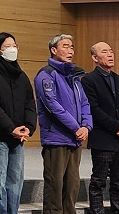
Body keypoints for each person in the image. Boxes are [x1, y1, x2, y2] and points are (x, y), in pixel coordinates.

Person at [0, 32, 36, 214]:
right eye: (7, 46)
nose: (12, 49)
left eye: (14, 46)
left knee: (15, 182)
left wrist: (29, 127)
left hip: (18, 138)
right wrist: (11, 128)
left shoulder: (21, 76)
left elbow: (29, 102)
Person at [33, 34, 91, 214]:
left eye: (72, 47)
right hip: (56, 138)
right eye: (65, 46)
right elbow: (52, 106)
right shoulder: (46, 74)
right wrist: (76, 127)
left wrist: (86, 126)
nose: (70, 50)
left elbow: (85, 103)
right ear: (54, 50)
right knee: (55, 186)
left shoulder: (74, 77)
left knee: (72, 186)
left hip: (75, 139)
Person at [82, 42, 119, 214]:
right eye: (105, 52)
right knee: (99, 181)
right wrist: (116, 126)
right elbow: (93, 109)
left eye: (111, 51)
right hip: (103, 138)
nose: (110, 54)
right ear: (95, 58)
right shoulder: (89, 80)